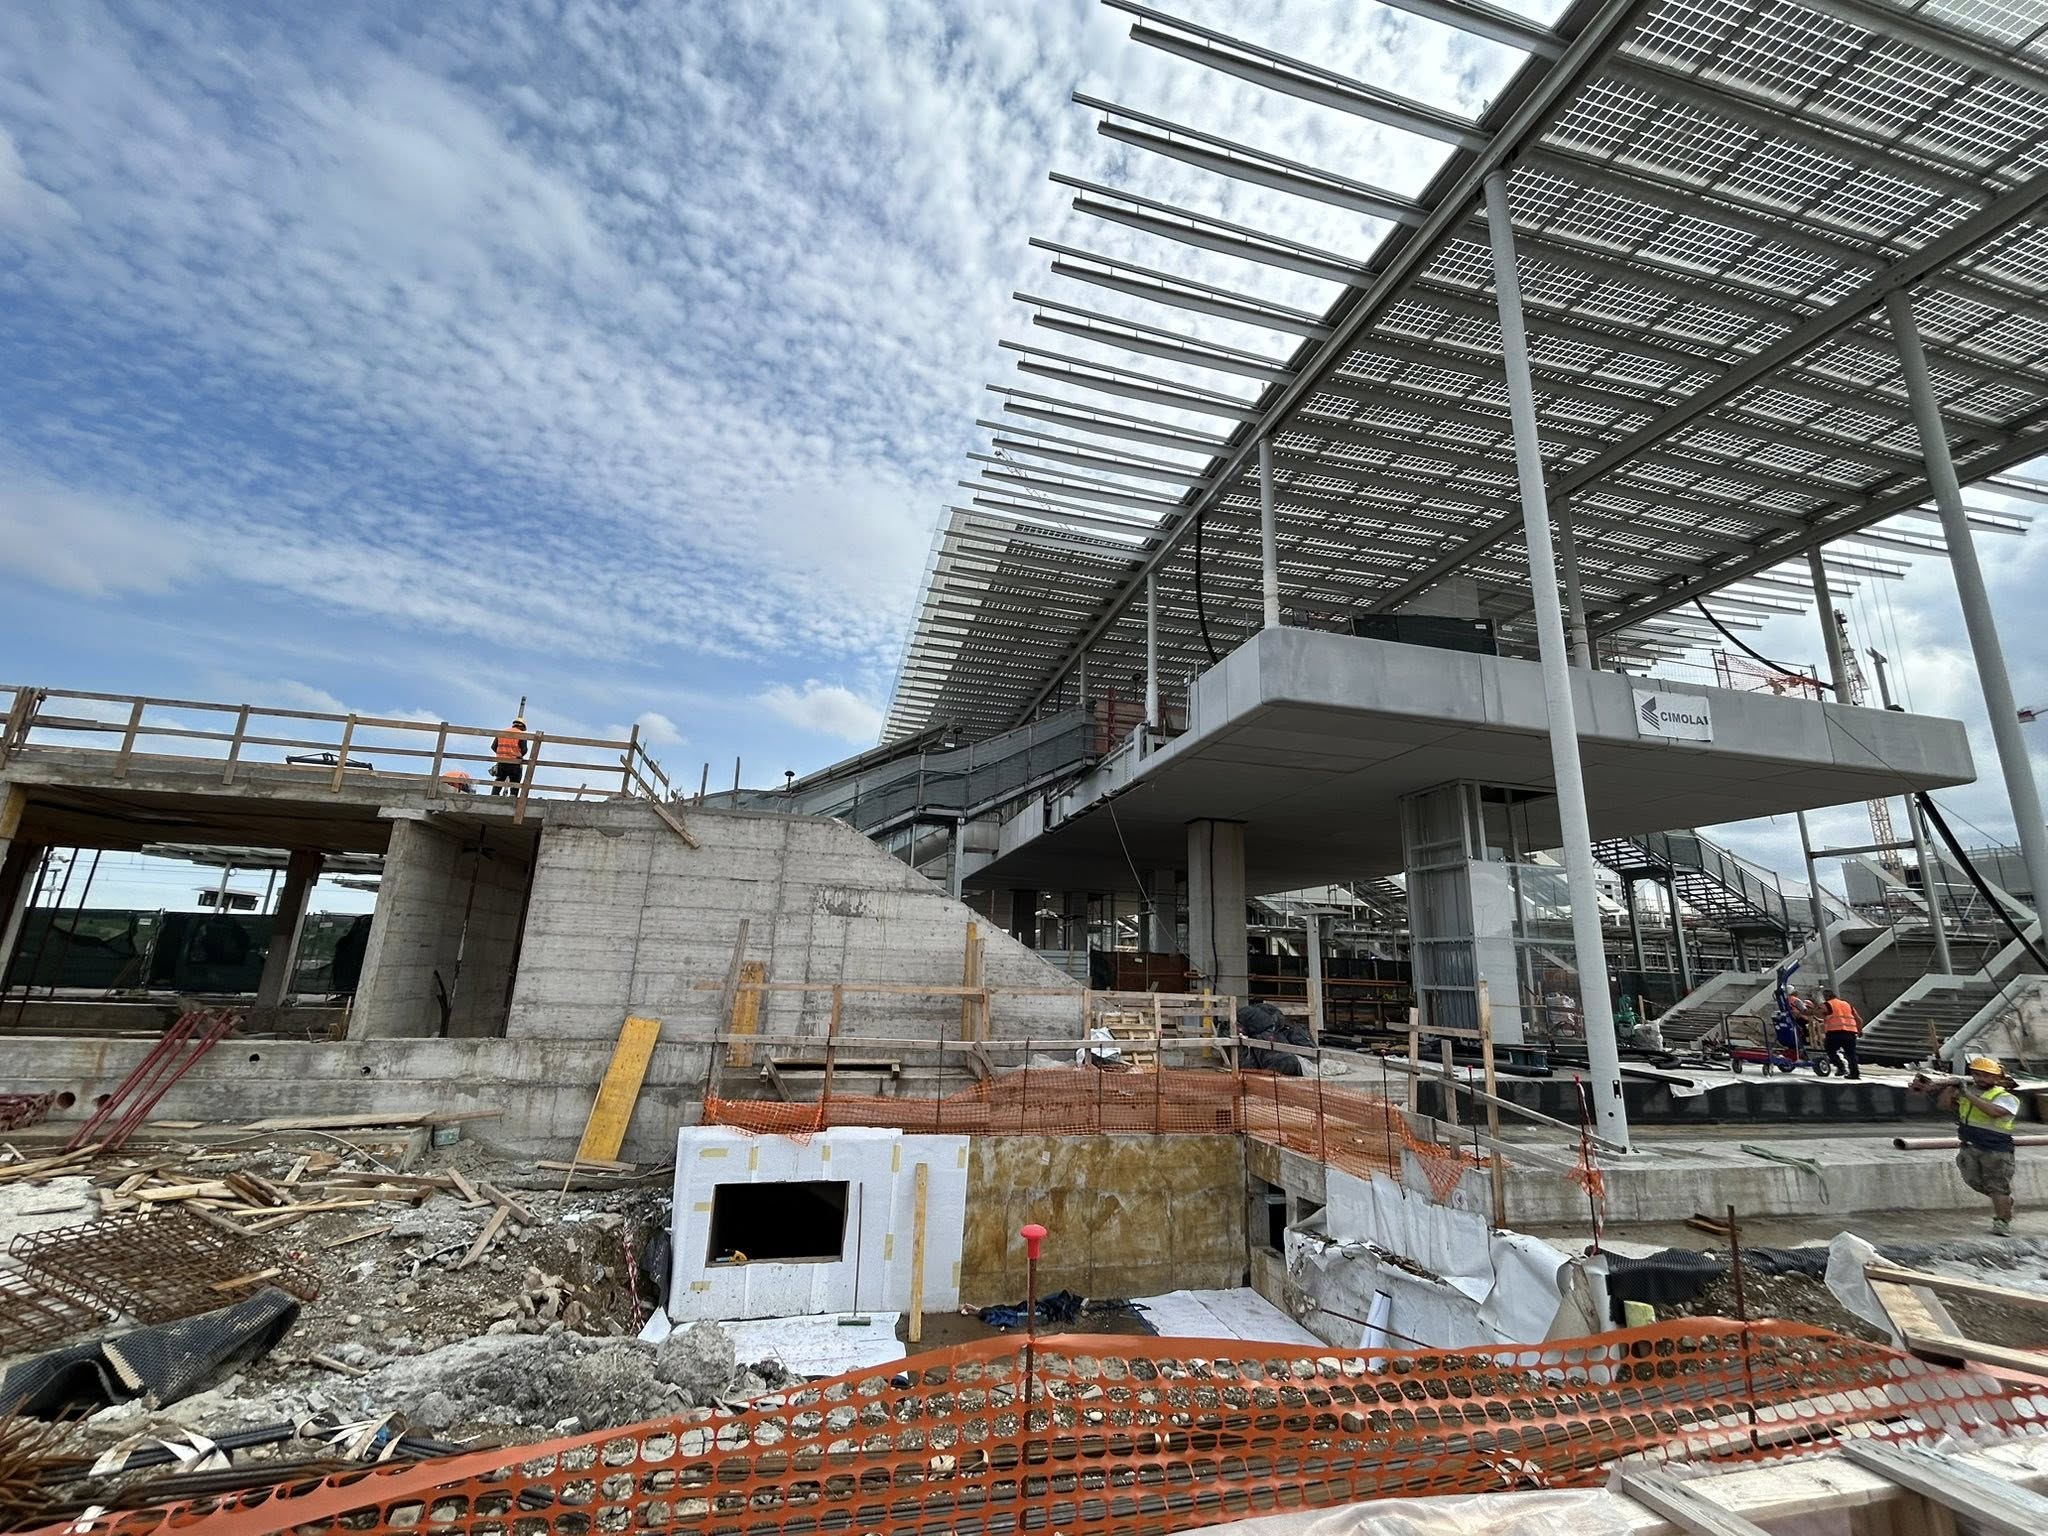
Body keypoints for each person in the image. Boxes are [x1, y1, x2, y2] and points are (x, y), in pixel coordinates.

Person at [1917, 1056, 2022, 1235]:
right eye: (1977, 1075)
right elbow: (1944, 1106)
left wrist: (1968, 1094)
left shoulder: (2005, 1097)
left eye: (1986, 1076)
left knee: (1997, 1186)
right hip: (1970, 1146)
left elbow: (1994, 1112)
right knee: (1972, 1180)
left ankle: (2002, 1221)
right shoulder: (1970, 1093)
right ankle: (2003, 1200)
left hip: (1996, 1149)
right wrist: (1948, 1090)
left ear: (1997, 1078)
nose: (1981, 1079)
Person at [1819, 988, 1862, 1080]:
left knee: (1830, 1051)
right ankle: (1854, 1074)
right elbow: (1858, 1019)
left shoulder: (1827, 1004)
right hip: (1850, 1032)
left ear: (1827, 997)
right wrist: (1860, 1030)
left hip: (1835, 1032)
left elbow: (1817, 1013)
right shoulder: (1847, 1004)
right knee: (1851, 1054)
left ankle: (1841, 1067)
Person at [491, 716, 528, 796]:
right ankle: (512, 796)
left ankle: (494, 794)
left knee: (500, 779)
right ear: (522, 726)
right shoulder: (521, 734)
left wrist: (502, 754)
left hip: (501, 761)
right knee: (515, 780)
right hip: (514, 761)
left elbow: (493, 747)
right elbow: (524, 750)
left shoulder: (502, 732)